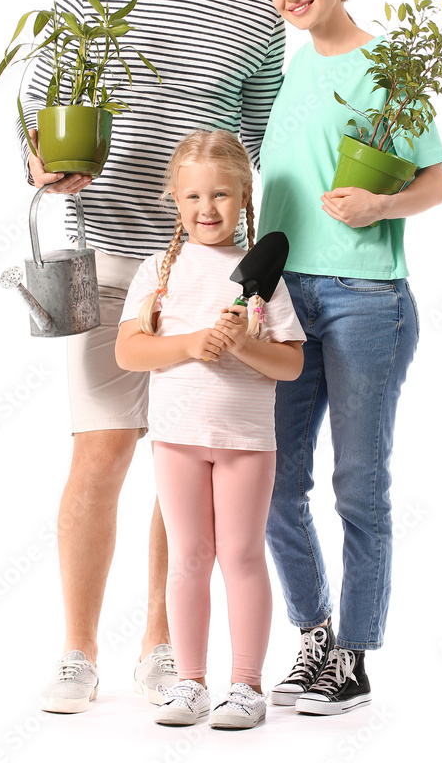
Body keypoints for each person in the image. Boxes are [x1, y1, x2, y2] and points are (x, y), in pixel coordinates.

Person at [17, 0, 285, 713]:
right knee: (100, 451)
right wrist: (40, 161)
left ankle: (163, 647)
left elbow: (260, 132)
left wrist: (250, 249)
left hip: (202, 259)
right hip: (106, 248)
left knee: (188, 456)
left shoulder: (254, 12)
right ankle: (76, 651)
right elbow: (41, 94)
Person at [257, 0, 442, 715]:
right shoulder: (294, 67)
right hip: (284, 297)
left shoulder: (389, 67)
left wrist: (381, 204)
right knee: (273, 479)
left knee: (358, 486)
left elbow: (434, 182)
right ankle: (313, 633)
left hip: (364, 298)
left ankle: (354, 656)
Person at [115, 129, 305, 729]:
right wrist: (194, 343)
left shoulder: (263, 276)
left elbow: (293, 362)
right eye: (194, 197)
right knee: (189, 559)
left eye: (221, 195)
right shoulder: (157, 272)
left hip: (246, 440)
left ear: (244, 196)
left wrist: (246, 346)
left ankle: (246, 684)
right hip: (176, 437)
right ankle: (190, 682)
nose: (207, 209)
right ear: (174, 198)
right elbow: (129, 352)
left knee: (241, 556)